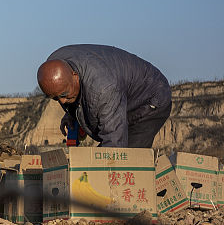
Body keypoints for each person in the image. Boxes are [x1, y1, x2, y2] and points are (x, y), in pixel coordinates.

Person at [37, 44, 171, 148]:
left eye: (64, 95)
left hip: (151, 98)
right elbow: (69, 92)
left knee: (128, 160)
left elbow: (114, 142)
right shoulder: (54, 66)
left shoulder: (104, 89)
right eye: (55, 98)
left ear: (75, 76)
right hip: (116, 89)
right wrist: (71, 115)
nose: (62, 101)